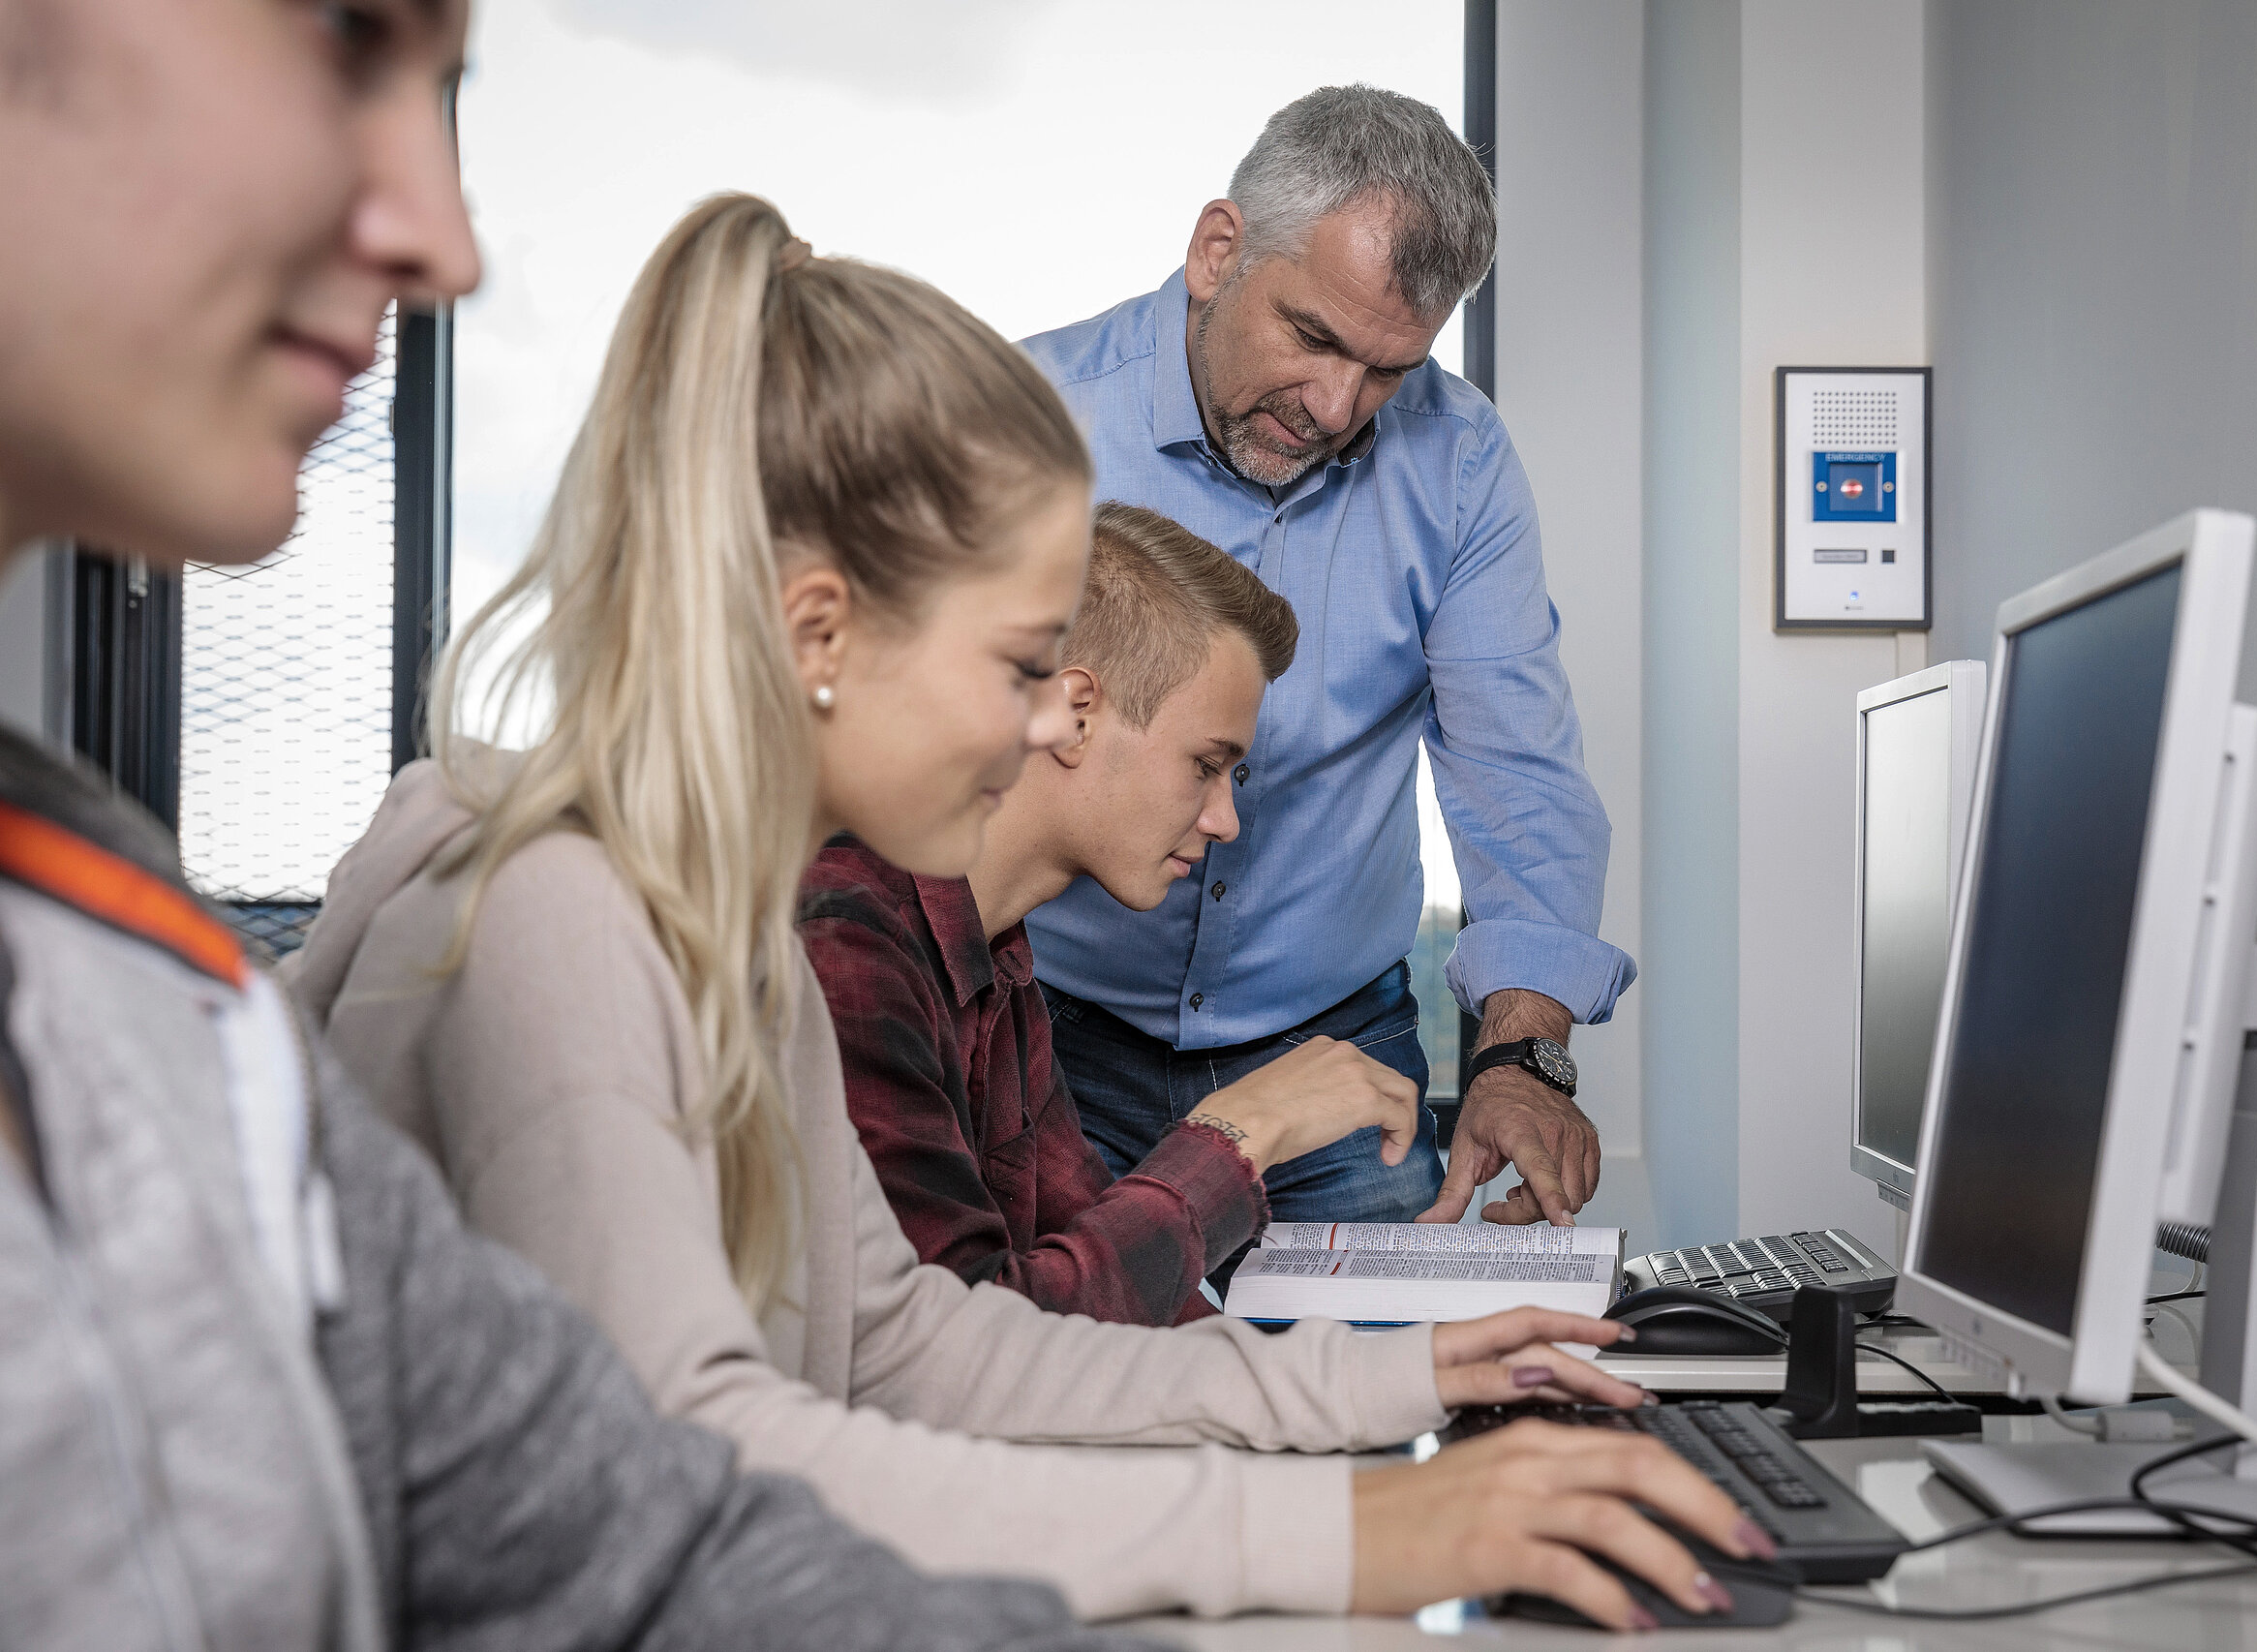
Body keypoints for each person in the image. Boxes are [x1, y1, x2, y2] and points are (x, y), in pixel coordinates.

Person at [290, 191, 1772, 1633]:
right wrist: (1341, 1530)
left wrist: (1398, 1382)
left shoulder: (730, 936)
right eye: (1017, 671)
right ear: (821, 634)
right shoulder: (565, 914)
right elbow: (704, 1459)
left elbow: (913, 1346)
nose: (1032, 740)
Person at [0, 3, 1143, 1650]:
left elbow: (650, 1535)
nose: (447, 248)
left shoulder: (162, 995)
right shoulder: (551, 924)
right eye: (344, 39)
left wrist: (1364, 1484)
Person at [1021, 85, 1628, 1229]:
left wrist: (1522, 1055)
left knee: (1376, 1393)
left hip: (1335, 1042)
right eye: (1312, 337)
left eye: (1388, 370)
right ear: (1218, 251)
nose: (1337, 405)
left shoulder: (1459, 462)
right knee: (1051, 1376)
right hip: (1046, 1029)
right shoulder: (1024, 420)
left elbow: (1519, 772)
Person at [803, 501, 1420, 1326]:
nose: (1224, 821)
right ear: (1076, 714)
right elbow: (977, 1347)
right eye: (1207, 764)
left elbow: (1114, 1302)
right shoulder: (846, 948)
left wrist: (1399, 1386)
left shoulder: (1003, 969)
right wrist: (1242, 1131)